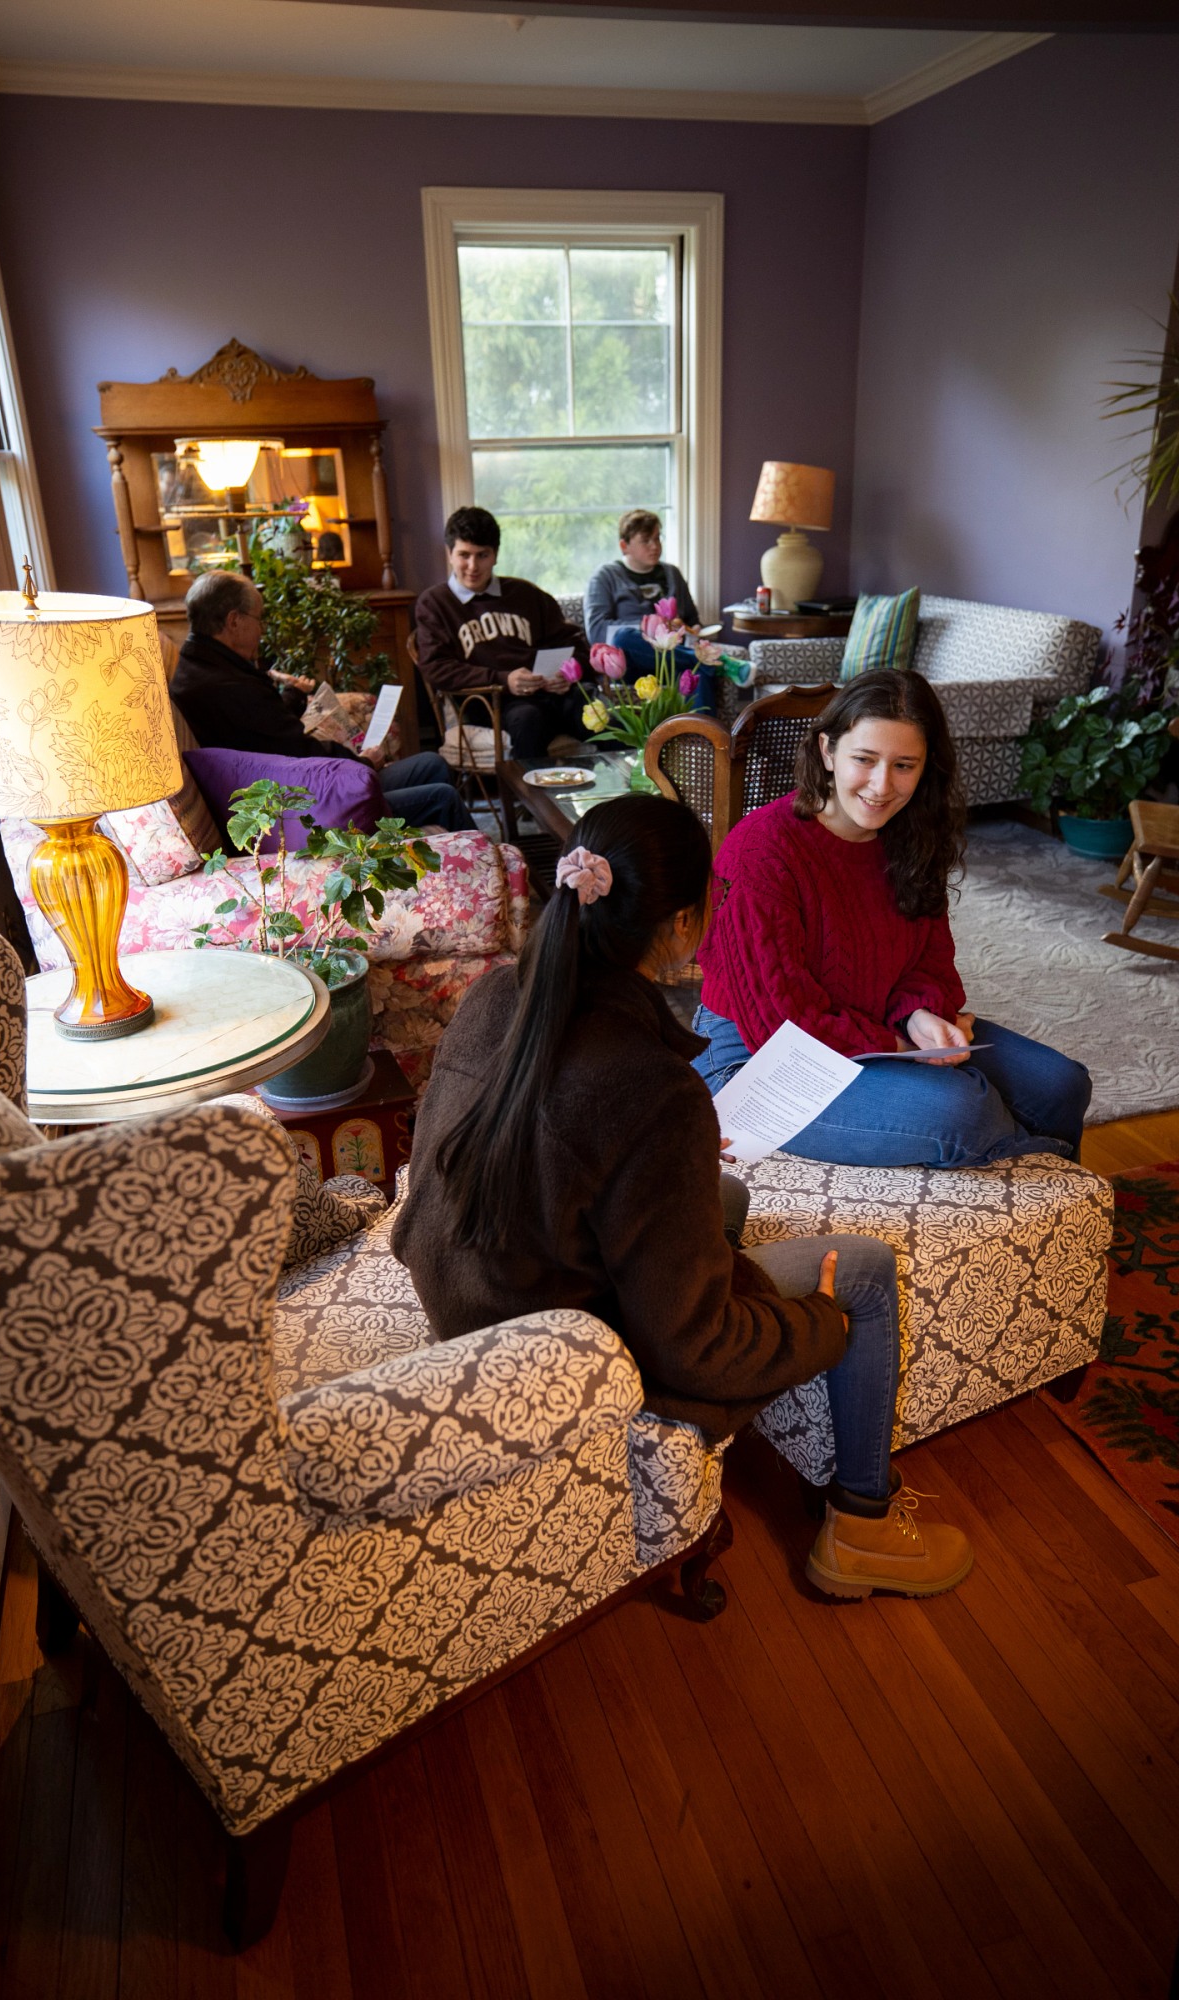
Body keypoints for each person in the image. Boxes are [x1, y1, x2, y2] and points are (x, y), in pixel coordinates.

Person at [392, 793, 974, 1600]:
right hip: (555, 1349)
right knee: (866, 1272)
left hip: (468, 1297)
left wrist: (676, 1159)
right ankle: (862, 1530)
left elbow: (550, 1145)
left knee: (724, 1191)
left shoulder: (498, 997)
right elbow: (689, 1347)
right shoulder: (649, 1085)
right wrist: (816, 1323)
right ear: (679, 926)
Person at [693, 669, 1092, 1169]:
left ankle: (1050, 1202)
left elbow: (929, 960)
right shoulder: (759, 850)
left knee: (1061, 1084)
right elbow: (780, 1019)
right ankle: (1033, 1178)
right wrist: (899, 1044)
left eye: (904, 765)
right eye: (864, 759)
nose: (882, 786)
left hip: (873, 1020)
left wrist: (920, 1013)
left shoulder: (911, 837)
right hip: (761, 1055)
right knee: (964, 1108)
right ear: (827, 752)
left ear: (926, 768)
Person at [170, 569, 475, 832]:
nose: (261, 631)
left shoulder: (202, 668)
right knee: (443, 796)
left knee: (432, 764)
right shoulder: (227, 686)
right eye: (258, 620)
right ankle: (491, 881)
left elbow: (264, 729)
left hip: (296, 786)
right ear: (234, 621)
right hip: (307, 806)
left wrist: (295, 696)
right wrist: (363, 763)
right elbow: (299, 753)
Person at [414, 506, 591, 759]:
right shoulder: (435, 603)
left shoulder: (526, 595)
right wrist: (503, 679)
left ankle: (629, 795)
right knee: (530, 719)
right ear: (450, 554)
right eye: (464, 555)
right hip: (492, 703)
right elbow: (436, 668)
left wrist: (567, 672)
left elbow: (574, 643)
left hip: (551, 694)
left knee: (598, 715)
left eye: (482, 555)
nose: (472, 566)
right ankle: (533, 798)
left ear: (495, 555)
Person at [583, 509, 750, 713]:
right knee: (622, 637)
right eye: (646, 541)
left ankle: (704, 739)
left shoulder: (672, 573)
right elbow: (597, 631)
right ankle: (715, 661)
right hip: (632, 662)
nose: (655, 546)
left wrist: (693, 629)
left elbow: (692, 619)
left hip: (672, 661)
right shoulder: (605, 576)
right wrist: (653, 627)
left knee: (696, 672)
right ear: (624, 546)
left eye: (657, 538)